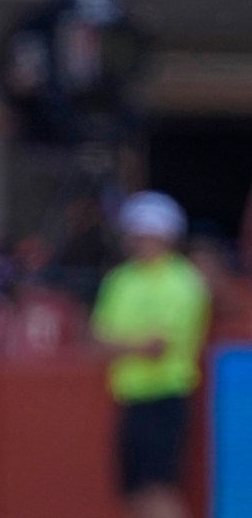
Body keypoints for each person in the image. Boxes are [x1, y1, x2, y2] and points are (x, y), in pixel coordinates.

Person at [89, 190, 210, 518]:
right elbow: (99, 340)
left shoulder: (182, 281)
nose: (144, 241)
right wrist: (129, 346)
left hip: (166, 396)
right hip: (129, 396)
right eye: (139, 234)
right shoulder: (121, 279)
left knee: (159, 489)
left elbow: (157, 347)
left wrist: (121, 345)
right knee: (134, 492)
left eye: (151, 234)